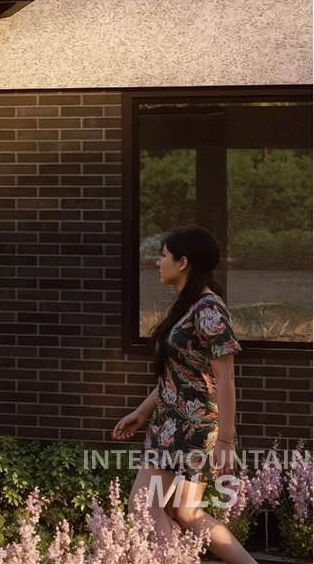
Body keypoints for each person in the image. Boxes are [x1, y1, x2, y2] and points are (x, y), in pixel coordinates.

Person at [114, 225, 257, 564]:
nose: (157, 262)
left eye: (163, 255)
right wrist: (142, 411)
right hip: (171, 420)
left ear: (183, 262)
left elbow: (224, 377)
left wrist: (226, 441)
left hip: (187, 427)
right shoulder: (187, 306)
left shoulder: (208, 309)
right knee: (186, 512)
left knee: (144, 506)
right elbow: (179, 375)